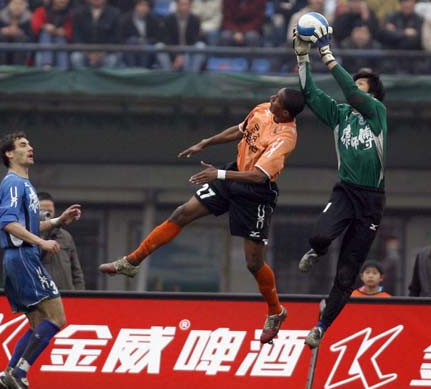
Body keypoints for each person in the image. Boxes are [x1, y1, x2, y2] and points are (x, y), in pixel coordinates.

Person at [99, 88, 306, 344]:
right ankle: (131, 262)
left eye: (277, 99)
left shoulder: (285, 137)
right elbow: (239, 130)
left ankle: (275, 311)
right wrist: (205, 142)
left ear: (284, 112)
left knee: (253, 263)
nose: (271, 99)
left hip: (256, 193)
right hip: (232, 175)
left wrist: (218, 174)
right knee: (182, 213)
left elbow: (258, 176)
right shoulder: (263, 109)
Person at [293, 22, 387, 349]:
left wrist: (328, 55)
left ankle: (321, 326)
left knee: (347, 274)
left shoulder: (377, 113)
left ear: (372, 95)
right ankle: (317, 251)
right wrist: (303, 57)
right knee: (320, 236)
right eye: (355, 82)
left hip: (372, 201)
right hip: (346, 191)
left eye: (362, 85)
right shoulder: (340, 115)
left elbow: (350, 92)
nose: (355, 89)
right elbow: (309, 93)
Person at [0, 131, 81, 389]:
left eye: (29, 143)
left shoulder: (25, 185)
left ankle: (6, 378)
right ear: (9, 154)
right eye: (22, 145)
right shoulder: (13, 184)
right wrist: (41, 243)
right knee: (57, 318)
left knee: (37, 324)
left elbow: (28, 226)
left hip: (19, 258)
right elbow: (8, 223)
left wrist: (57, 222)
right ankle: (19, 374)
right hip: (23, 257)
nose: (30, 147)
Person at [38, 191, 86, 290]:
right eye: (41, 211)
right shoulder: (27, 234)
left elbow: (76, 272)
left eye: (50, 211)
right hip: (40, 293)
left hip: (65, 293)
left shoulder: (65, 236)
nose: (47, 214)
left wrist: (80, 294)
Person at [70, 0, 121, 68]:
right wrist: (88, 53)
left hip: (106, 52)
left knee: (112, 59)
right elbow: (77, 36)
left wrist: (101, 53)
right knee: (76, 57)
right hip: (85, 52)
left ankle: (105, 76)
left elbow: (116, 38)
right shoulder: (79, 13)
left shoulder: (115, 13)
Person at [0, 0, 33, 66]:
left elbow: (32, 39)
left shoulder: (29, 19)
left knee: (21, 38)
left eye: (20, 4)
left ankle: (18, 68)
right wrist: (1, 32)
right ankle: (1, 67)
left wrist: (20, 33)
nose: (17, 6)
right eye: (15, 3)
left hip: (20, 54)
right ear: (9, 4)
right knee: (0, 37)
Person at [31, 0, 73, 69]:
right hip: (43, 45)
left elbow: (71, 32)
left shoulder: (71, 14)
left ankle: (62, 69)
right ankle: (47, 65)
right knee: (45, 33)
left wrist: (63, 32)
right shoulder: (41, 10)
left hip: (63, 45)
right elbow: (35, 26)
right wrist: (44, 26)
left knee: (60, 38)